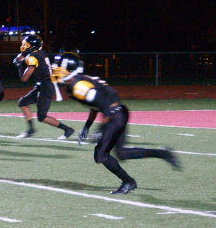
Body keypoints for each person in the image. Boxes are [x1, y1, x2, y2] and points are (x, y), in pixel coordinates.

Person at [57, 51, 180, 194]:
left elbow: (107, 105)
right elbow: (96, 105)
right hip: (118, 113)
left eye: (59, 67)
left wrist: (101, 129)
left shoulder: (78, 86)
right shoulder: (77, 83)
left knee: (101, 154)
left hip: (114, 114)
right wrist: (87, 127)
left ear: (70, 68)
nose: (56, 70)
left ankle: (128, 182)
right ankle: (163, 154)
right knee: (122, 153)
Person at [13, 35, 75, 139]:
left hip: (46, 86)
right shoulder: (39, 53)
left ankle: (67, 129)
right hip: (42, 84)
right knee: (23, 102)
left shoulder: (32, 57)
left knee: (42, 116)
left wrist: (19, 65)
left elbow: (24, 78)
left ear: (33, 46)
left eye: (26, 45)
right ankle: (31, 129)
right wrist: (23, 57)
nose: (23, 46)